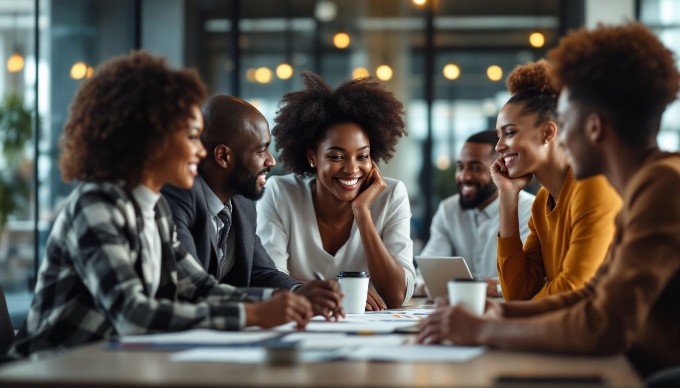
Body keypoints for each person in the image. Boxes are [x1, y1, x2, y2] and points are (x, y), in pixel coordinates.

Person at [417, 22, 680, 378]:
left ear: (594, 127)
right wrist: (498, 313)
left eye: (566, 122)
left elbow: (605, 324)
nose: (562, 137)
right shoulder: (643, 186)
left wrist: (485, 329)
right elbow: (593, 296)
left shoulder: (663, 184)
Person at [10, 51, 312, 357]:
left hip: (111, 367)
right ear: (152, 140)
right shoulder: (96, 204)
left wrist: (276, 301)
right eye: (193, 137)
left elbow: (199, 288)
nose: (200, 151)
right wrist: (252, 315)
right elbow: (132, 313)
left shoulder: (154, 210)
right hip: (51, 370)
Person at [162, 95, 343, 319]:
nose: (271, 161)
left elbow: (262, 272)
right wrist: (268, 303)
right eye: (261, 151)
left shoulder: (242, 202)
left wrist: (300, 292)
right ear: (223, 156)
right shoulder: (178, 195)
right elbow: (193, 289)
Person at [256, 71, 416, 310]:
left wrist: (362, 212)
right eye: (336, 156)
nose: (352, 169)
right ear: (312, 157)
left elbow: (397, 295)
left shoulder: (392, 194)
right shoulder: (280, 193)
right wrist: (344, 293)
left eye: (362, 156)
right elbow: (268, 280)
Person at [491, 59, 621, 300]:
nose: (499, 146)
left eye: (509, 133)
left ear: (548, 132)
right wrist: (508, 197)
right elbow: (518, 292)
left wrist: (502, 314)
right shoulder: (542, 202)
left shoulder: (593, 185)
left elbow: (573, 289)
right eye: (498, 135)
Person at [418, 130, 535, 297]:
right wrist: (426, 285)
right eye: (460, 167)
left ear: (501, 169)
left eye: (475, 167)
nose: (464, 176)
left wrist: (496, 287)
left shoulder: (529, 208)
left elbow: (530, 276)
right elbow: (426, 270)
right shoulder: (448, 209)